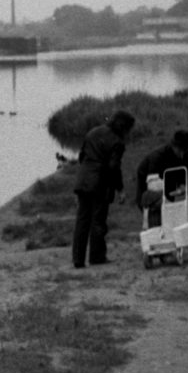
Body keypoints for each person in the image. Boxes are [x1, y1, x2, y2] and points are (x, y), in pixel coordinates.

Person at [71, 109, 136, 268]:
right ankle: (97, 256)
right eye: (129, 129)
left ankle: (78, 259)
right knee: (98, 220)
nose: (129, 133)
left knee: (82, 220)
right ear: (124, 127)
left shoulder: (93, 131)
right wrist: (120, 189)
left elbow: (81, 156)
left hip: (83, 178)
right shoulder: (117, 142)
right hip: (100, 182)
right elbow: (114, 167)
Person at [135, 130, 188, 209]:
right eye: (180, 150)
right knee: (151, 204)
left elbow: (183, 171)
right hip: (148, 176)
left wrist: (182, 185)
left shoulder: (186, 154)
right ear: (173, 146)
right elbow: (153, 181)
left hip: (168, 176)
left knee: (169, 204)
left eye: (184, 150)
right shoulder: (157, 157)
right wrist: (160, 196)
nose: (182, 155)